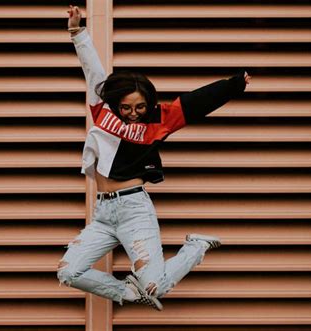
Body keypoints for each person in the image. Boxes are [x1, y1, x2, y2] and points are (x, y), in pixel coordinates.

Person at [57, 5, 252, 311]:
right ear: (114, 103)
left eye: (140, 107)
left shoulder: (160, 119)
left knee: (156, 286)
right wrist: (77, 30)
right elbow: (92, 67)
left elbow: (196, 102)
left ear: (148, 103)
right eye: (127, 108)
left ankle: (194, 247)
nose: (134, 114)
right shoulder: (101, 108)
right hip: (103, 213)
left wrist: (234, 84)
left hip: (134, 209)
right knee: (68, 271)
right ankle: (128, 293)